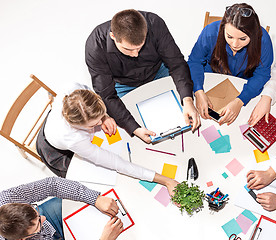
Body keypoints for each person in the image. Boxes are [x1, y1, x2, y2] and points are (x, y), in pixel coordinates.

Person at [36, 83, 178, 196]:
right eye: (94, 124)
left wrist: (105, 117)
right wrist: (166, 180)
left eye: (101, 115)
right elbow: (118, 164)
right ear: (78, 125)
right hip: (55, 151)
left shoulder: (75, 91)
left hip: (59, 124)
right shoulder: (74, 139)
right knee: (86, 180)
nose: (99, 124)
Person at [85, 9, 200, 143]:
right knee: (131, 130)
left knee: (185, 111)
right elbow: (106, 94)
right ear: (113, 36)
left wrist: (187, 100)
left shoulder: (154, 23)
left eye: (140, 47)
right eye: (128, 49)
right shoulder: (95, 46)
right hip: (123, 85)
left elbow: (176, 64)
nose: (135, 54)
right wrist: (134, 129)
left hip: (158, 71)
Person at [187, 3, 273, 125]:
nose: (235, 44)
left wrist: (240, 101)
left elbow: (262, 75)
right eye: (229, 36)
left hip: (243, 85)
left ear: (253, 35)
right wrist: (198, 91)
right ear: (223, 28)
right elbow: (195, 61)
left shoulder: (263, 40)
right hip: (208, 79)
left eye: (243, 39)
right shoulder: (211, 32)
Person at [0, 177, 122, 240]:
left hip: (51, 220)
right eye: (37, 224)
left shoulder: (7, 198)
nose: (43, 218)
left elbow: (52, 185)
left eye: (34, 209)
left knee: (73, 203)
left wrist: (95, 198)